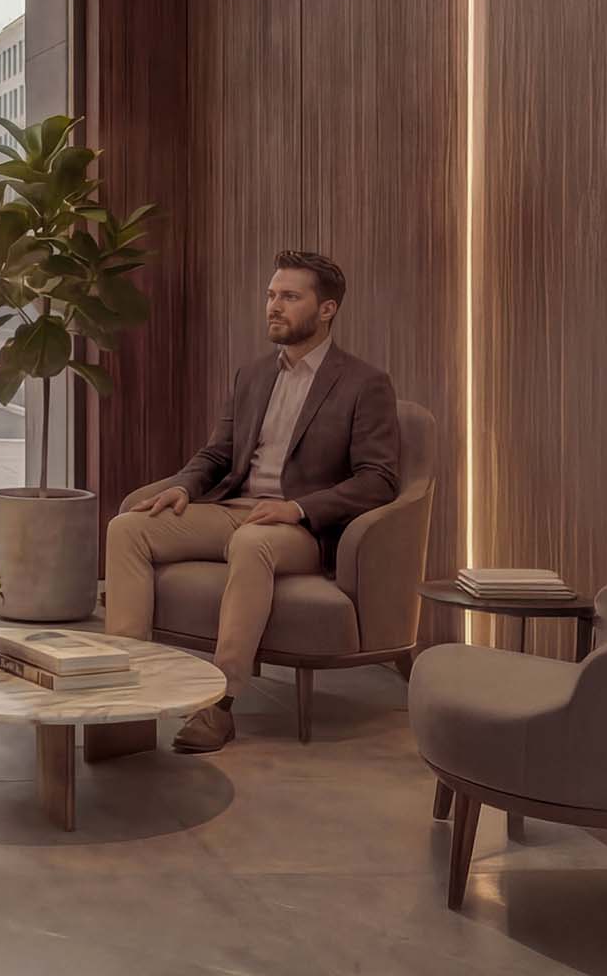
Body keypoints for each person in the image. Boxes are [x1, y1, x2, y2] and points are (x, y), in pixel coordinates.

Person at [103, 249, 400, 753]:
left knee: (253, 544)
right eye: (270, 295)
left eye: (289, 296)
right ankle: (127, 689)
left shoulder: (363, 384)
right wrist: (181, 487)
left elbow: (380, 480)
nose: (273, 306)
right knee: (127, 528)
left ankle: (219, 704)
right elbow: (217, 454)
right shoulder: (253, 375)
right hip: (233, 509)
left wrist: (299, 509)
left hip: (297, 529)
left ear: (326, 309)